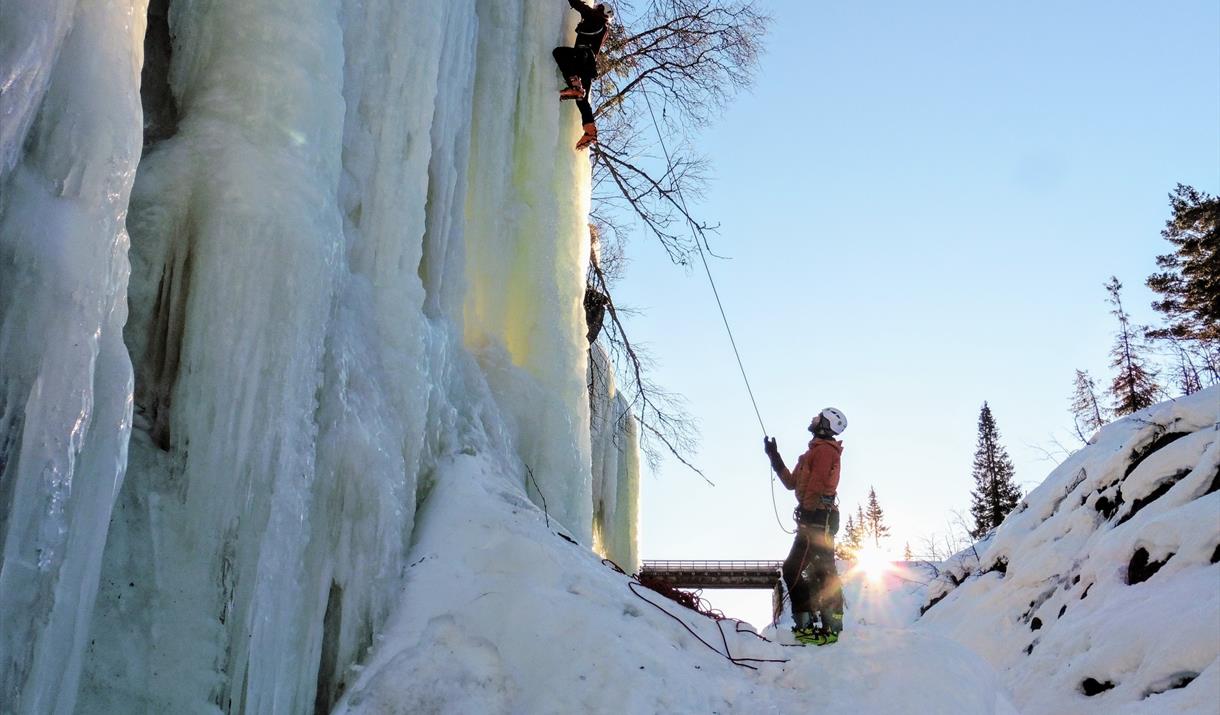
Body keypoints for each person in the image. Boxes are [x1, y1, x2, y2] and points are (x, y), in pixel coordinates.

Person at [764, 407, 848, 645]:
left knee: (801, 570)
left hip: (817, 518)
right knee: (820, 570)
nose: (813, 418)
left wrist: (808, 511)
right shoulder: (812, 453)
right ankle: (824, 627)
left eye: (818, 417)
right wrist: (774, 456)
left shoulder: (824, 451)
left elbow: (818, 485)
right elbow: (792, 483)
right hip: (816, 517)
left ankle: (813, 628)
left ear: (825, 424)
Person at [552, 1, 613, 150]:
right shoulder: (604, 29)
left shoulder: (595, 17)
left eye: (598, 7)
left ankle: (574, 85)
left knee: (559, 53)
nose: (595, 7)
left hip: (582, 56)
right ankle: (590, 131)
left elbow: (579, 5)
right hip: (589, 65)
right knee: (582, 98)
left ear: (601, 10)